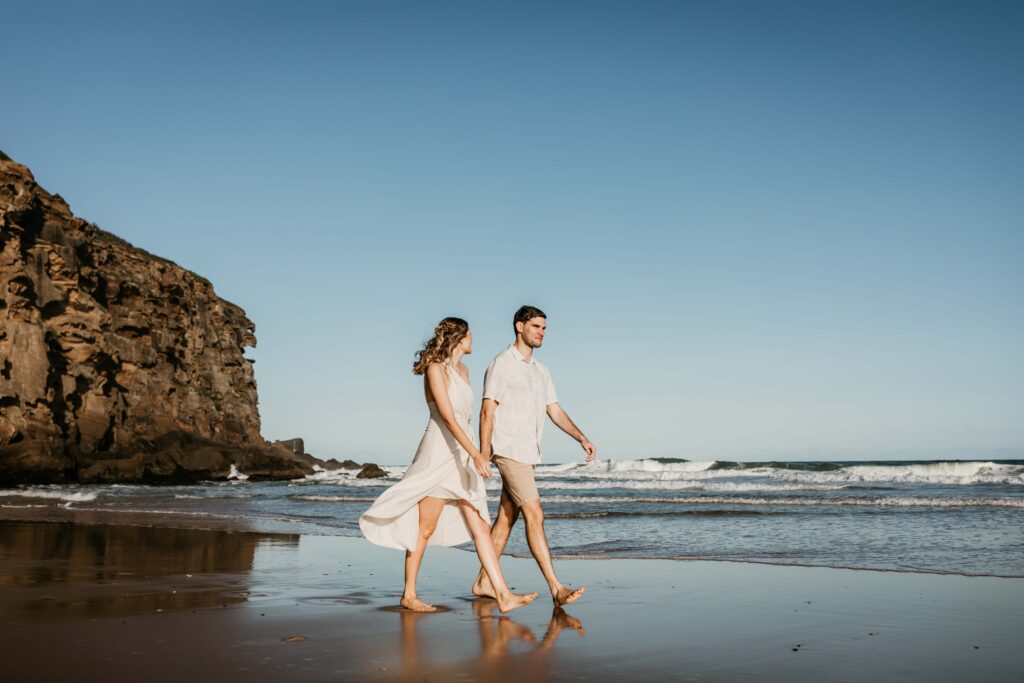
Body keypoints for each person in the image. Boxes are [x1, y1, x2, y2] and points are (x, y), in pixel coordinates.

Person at [360, 317, 537, 613]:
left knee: (480, 525)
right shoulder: (435, 369)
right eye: (470, 335)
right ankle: (409, 594)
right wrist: (476, 454)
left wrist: (482, 450)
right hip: (440, 451)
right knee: (425, 528)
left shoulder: (464, 370)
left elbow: (468, 417)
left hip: (463, 451)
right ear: (459, 337)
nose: (473, 340)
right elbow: (447, 417)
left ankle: (503, 594)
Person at [471, 305, 596, 606]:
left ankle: (483, 582)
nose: (541, 332)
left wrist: (581, 437)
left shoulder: (542, 371)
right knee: (535, 514)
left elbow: (554, 409)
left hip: (528, 453)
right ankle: (556, 587)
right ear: (519, 326)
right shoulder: (502, 364)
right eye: (536, 326)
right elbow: (488, 408)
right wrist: (484, 451)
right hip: (508, 450)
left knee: (506, 518)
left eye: (544, 328)